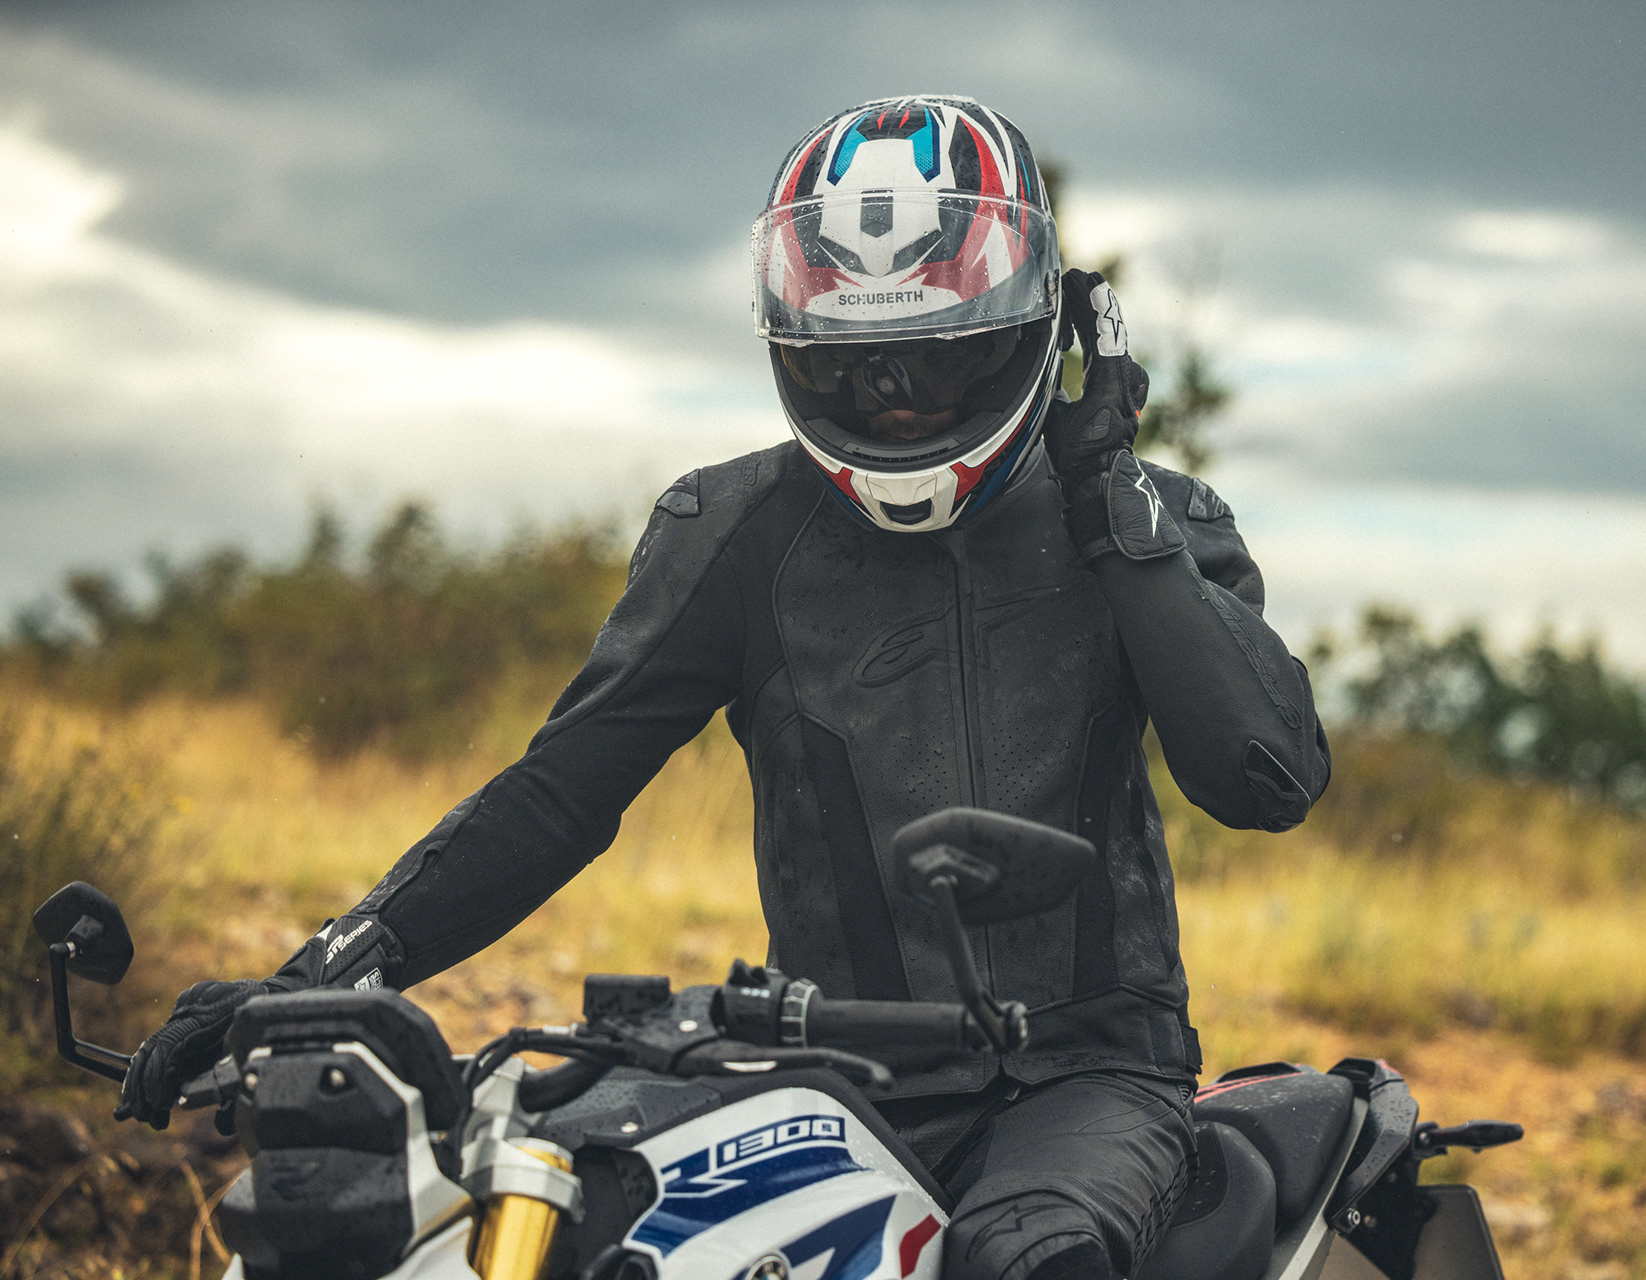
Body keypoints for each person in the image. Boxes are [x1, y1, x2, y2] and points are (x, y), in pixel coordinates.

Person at [116, 95, 1331, 1280]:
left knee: (1025, 1256)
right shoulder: (735, 531)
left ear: (1047, 328)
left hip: (1088, 1078)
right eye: (855, 367)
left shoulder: (1151, 521)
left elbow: (1265, 781)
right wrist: (318, 977)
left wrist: (1115, 506)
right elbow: (559, 792)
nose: (899, 396)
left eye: (939, 356)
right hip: (832, 1068)